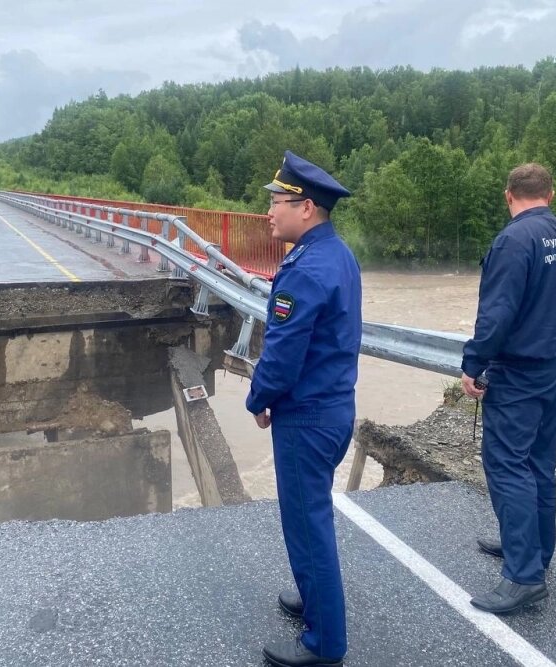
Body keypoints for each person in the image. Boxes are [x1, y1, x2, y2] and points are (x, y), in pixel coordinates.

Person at [461, 162, 556, 614]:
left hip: (518, 371)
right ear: (550, 195)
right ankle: (536, 550)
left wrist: (473, 364)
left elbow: (496, 313)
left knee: (507, 464)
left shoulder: (513, 240)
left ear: (508, 195)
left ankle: (523, 576)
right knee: (538, 461)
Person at [246, 150, 359, 667]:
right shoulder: (337, 254)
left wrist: (259, 398)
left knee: (307, 525)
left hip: (306, 416)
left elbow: (284, 354)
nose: (269, 211)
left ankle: (324, 645)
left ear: (306, 207)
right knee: (311, 519)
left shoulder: (304, 269)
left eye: (277, 202)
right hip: (333, 408)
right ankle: (313, 597)